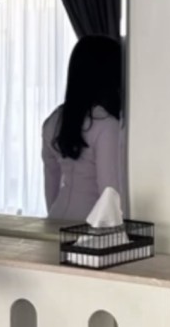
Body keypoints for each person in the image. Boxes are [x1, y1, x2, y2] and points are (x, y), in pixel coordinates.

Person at [42, 35, 123, 221]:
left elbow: (51, 181)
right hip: (90, 224)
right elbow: (109, 192)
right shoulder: (106, 125)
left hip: (56, 218)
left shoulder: (54, 120)